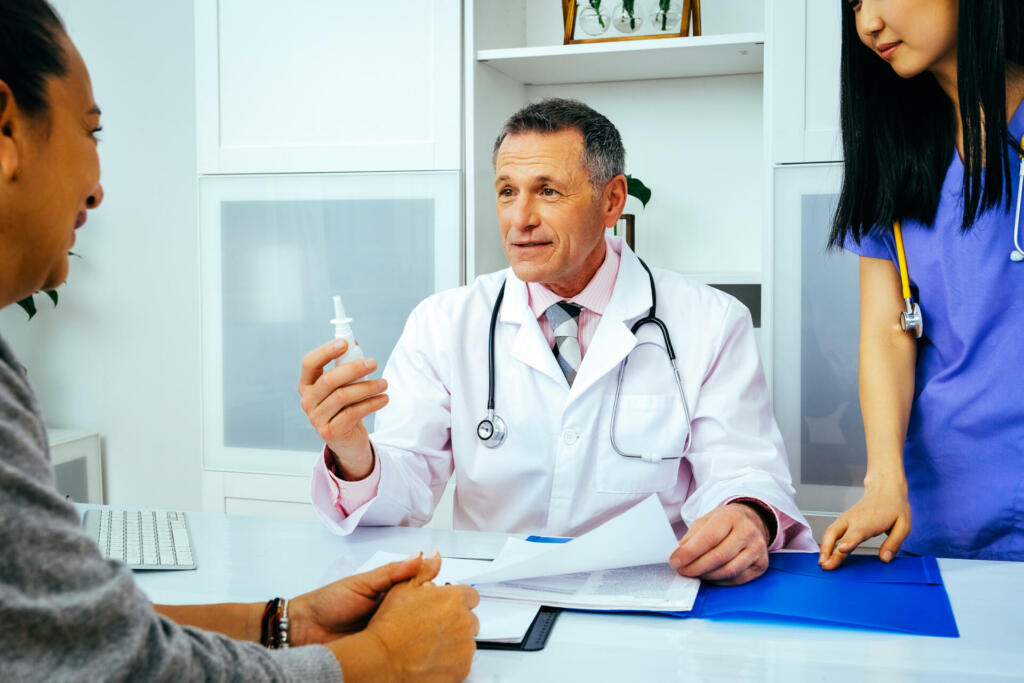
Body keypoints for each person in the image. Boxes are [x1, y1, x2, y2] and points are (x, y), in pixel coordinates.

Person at [0, 2, 478, 680]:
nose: (99, 189)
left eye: (548, 189)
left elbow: (73, 630)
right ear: (5, 128)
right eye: (91, 131)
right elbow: (114, 662)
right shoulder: (452, 317)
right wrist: (379, 661)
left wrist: (284, 622)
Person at [300, 98, 816, 586]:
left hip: (648, 596)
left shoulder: (710, 321)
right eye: (507, 191)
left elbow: (743, 470)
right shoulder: (444, 322)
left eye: (547, 190)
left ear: (611, 200)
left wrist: (746, 515)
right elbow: (406, 493)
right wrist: (353, 451)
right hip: (494, 595)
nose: (519, 219)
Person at [820, 0, 1024, 567]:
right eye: (854, 5)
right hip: (945, 510)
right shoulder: (895, 152)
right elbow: (889, 335)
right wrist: (884, 481)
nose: (865, 25)